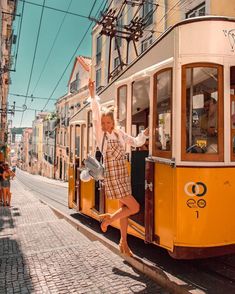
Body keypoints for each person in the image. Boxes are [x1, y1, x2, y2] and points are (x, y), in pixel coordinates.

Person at [88, 79, 149, 257]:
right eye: (104, 123)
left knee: (125, 212)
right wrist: (93, 96)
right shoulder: (101, 137)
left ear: (113, 122)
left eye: (108, 122)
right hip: (114, 178)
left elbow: (136, 142)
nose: (106, 125)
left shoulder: (120, 134)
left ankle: (124, 242)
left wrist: (144, 133)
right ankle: (108, 221)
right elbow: (95, 114)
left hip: (123, 173)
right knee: (135, 207)